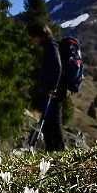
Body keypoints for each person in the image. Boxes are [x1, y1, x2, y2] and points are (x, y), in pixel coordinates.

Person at [26, 23, 65, 151]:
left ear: (41, 36)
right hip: (50, 92)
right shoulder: (49, 47)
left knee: (54, 124)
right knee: (48, 124)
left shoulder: (51, 47)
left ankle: (59, 151)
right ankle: (51, 150)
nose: (33, 41)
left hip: (52, 94)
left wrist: (53, 87)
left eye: (34, 37)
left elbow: (58, 67)